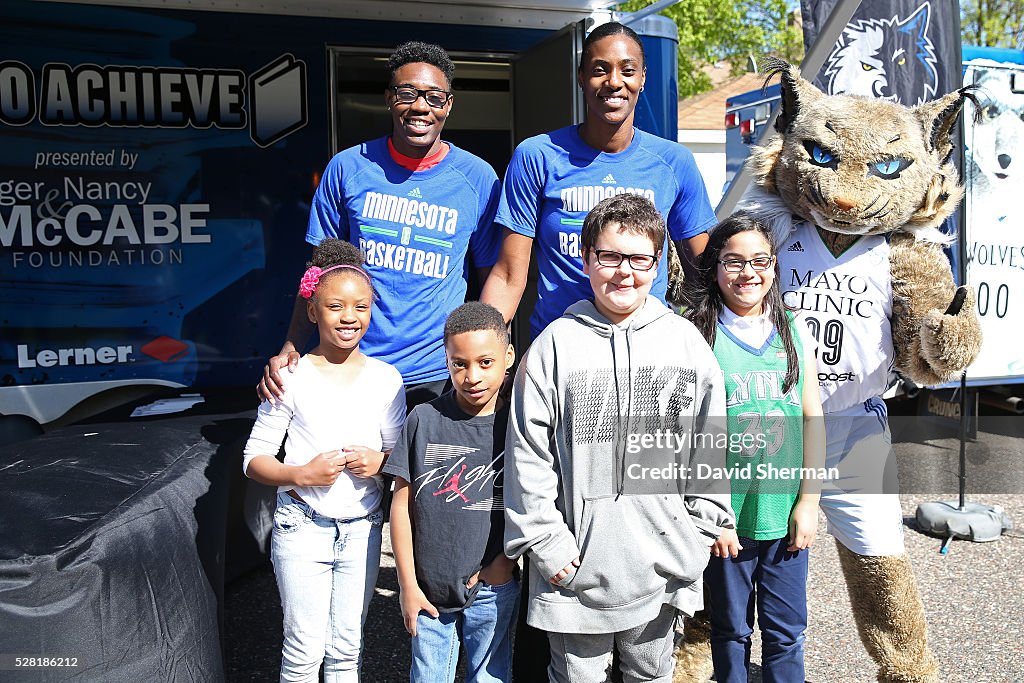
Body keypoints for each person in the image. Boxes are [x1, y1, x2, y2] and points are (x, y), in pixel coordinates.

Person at [503, 194, 734, 683]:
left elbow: (709, 444)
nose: (623, 273)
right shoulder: (553, 349)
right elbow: (528, 455)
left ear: (658, 264)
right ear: (586, 258)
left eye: (639, 259)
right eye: (609, 257)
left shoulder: (686, 345)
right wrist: (547, 545)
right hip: (573, 570)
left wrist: (696, 535)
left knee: (651, 676)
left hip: (662, 570)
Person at [260, 40, 501, 409]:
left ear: (448, 105)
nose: (420, 106)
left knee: (425, 468)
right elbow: (319, 272)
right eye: (407, 94)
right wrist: (291, 346)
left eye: (434, 97)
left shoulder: (478, 178)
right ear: (389, 98)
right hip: (354, 365)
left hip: (439, 373)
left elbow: (492, 278)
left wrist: (488, 362)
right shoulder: (347, 168)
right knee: (354, 467)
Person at [481, 20, 716, 339]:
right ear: (581, 77)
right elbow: (509, 275)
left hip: (649, 348)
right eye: (600, 69)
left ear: (643, 78)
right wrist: (483, 346)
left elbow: (703, 273)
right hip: (561, 348)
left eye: (628, 70)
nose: (614, 82)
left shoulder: (674, 162)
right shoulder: (537, 155)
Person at [242, 241, 406, 683]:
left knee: (346, 648)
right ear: (312, 311)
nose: (349, 317)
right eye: (335, 306)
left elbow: (397, 459)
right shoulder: (290, 376)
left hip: (361, 529)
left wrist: (379, 461)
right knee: (303, 648)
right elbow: (253, 459)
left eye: (360, 307)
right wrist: (300, 474)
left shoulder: (387, 381)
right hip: (302, 526)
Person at [684, 213, 825, 682]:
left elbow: (812, 419)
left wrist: (809, 502)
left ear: (773, 266)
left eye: (760, 261)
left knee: (786, 632)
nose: (748, 272)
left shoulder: (791, 329)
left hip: (784, 516)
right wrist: (714, 517)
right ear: (715, 268)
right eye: (734, 262)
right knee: (729, 630)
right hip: (730, 522)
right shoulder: (697, 336)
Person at [385, 302, 518, 683]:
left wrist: (504, 564)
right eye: (459, 363)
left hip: (491, 587)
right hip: (427, 591)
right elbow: (401, 508)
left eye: (485, 362)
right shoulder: (423, 420)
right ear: (446, 361)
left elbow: (534, 501)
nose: (472, 375)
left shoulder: (519, 425)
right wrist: (407, 585)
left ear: (508, 355)